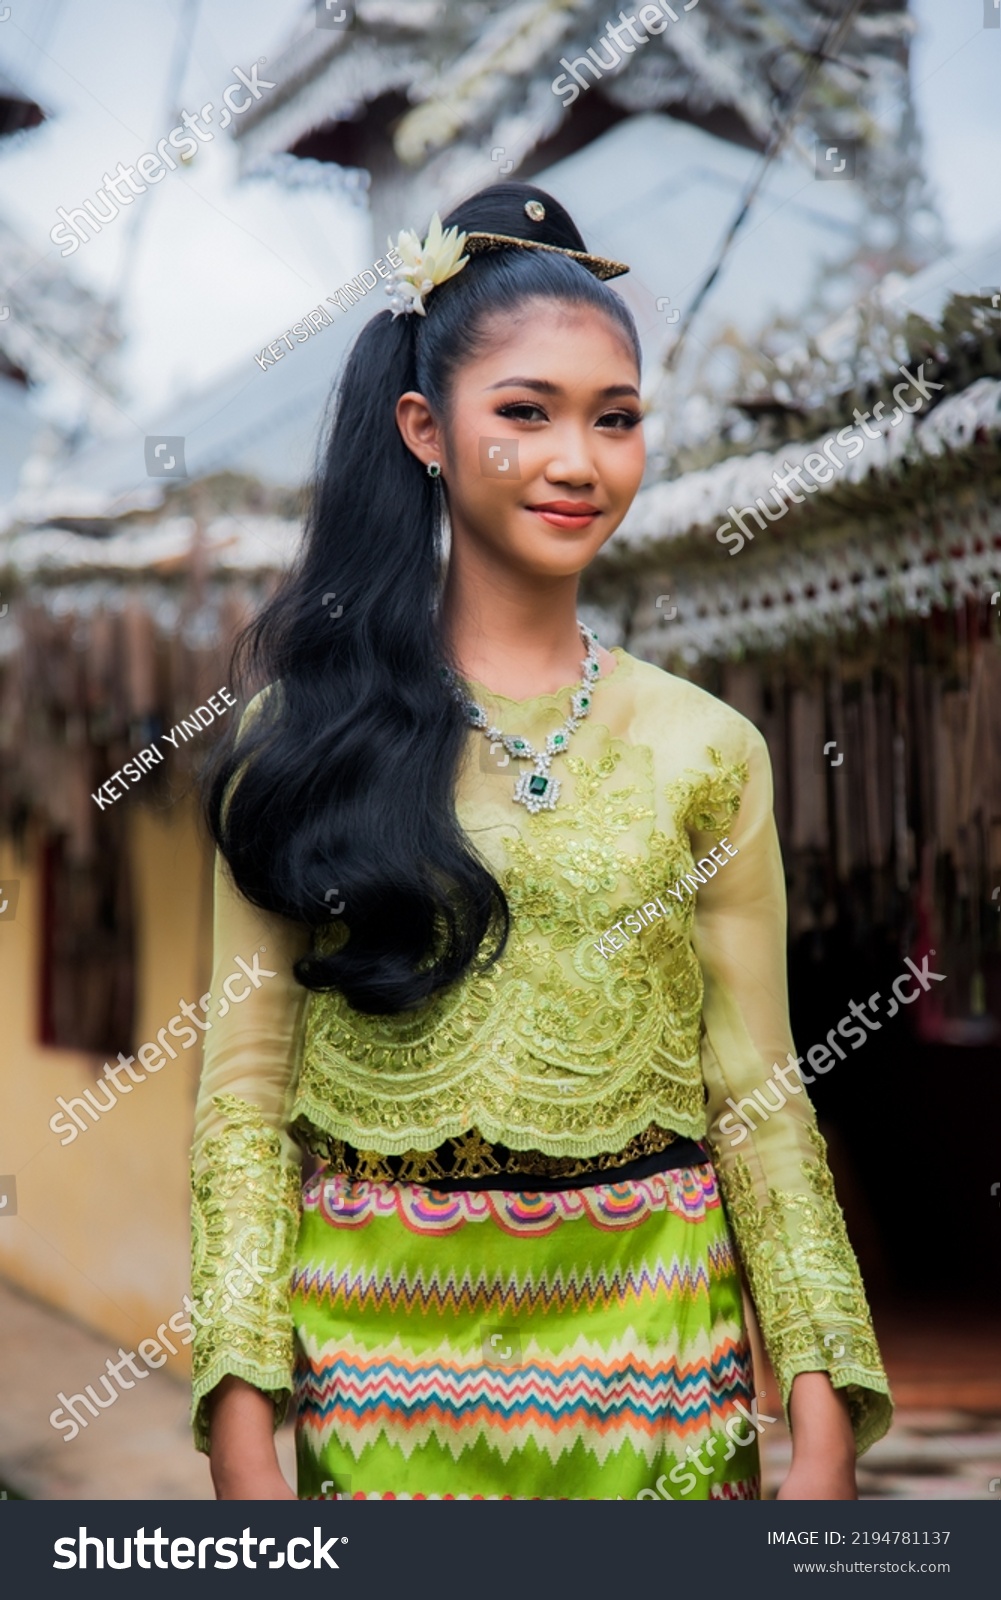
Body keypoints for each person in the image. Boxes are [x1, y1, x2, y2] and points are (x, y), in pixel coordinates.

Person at [190, 181, 891, 1501]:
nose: (579, 460)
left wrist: (820, 1419)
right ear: (424, 430)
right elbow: (238, 1103)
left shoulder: (703, 748)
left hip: (658, 1371)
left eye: (615, 419)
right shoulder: (307, 736)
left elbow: (756, 1099)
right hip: (375, 1377)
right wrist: (242, 1428)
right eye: (526, 413)